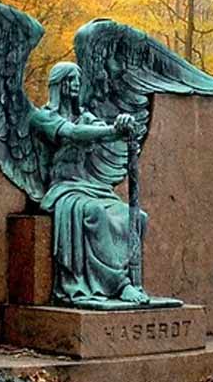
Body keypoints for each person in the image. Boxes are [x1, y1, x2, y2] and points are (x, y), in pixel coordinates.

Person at [29, 62, 150, 306]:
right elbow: (73, 133)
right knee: (95, 213)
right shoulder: (43, 117)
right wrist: (112, 131)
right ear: (58, 84)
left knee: (136, 216)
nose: (76, 85)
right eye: (71, 79)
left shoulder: (85, 116)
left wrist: (123, 123)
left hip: (92, 186)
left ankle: (124, 280)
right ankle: (119, 284)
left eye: (78, 79)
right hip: (65, 189)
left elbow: (101, 128)